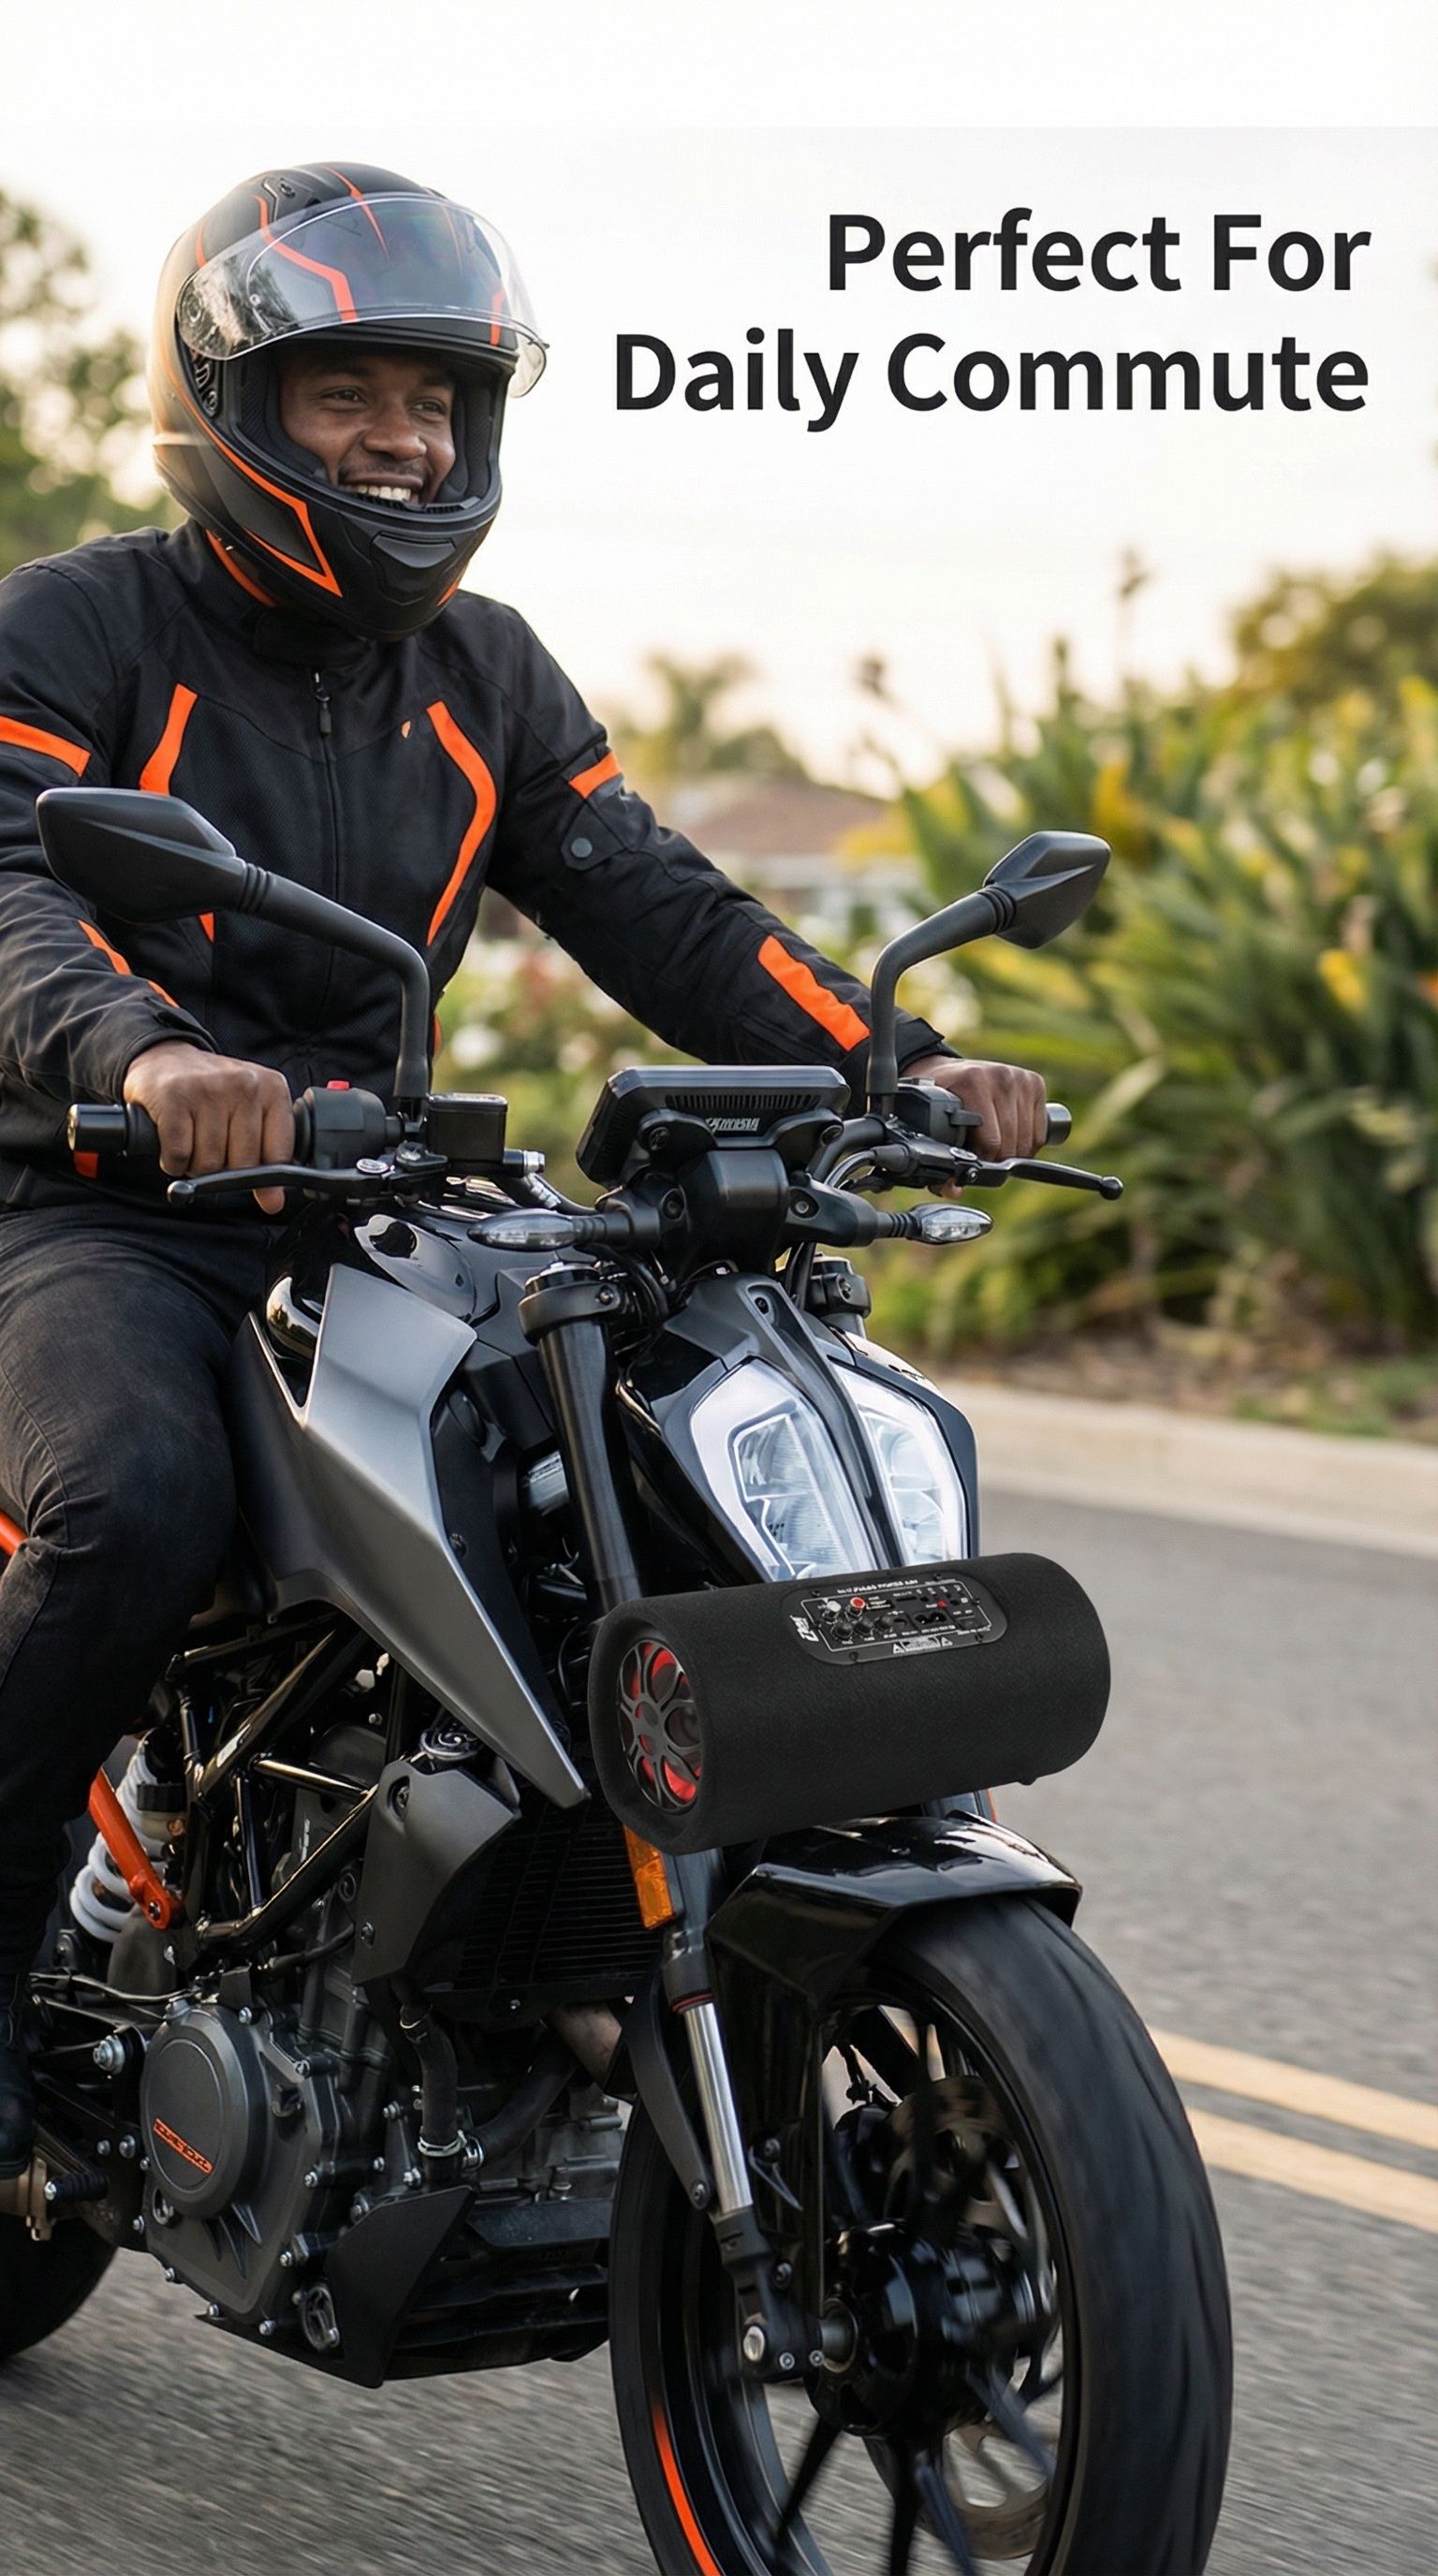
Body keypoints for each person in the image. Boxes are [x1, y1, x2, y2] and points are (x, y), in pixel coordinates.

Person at [0, 163, 1046, 2175]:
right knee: (134, 1504)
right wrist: (148, 1055)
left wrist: (898, 1066)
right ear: (228, 402)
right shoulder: (78, 624)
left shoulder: (486, 671)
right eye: (347, 394)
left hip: (374, 1205)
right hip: (104, 1199)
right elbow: (11, 883)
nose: (401, 438)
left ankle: (555, 1938)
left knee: (612, 1480)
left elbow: (657, 902)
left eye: (436, 399)